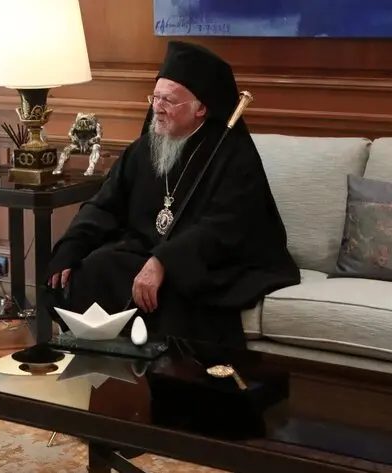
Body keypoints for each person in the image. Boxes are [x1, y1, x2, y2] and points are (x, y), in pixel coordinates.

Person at [46, 41, 299, 348]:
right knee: (96, 267)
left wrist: (165, 261)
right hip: (146, 250)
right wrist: (71, 246)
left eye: (169, 100)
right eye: (155, 97)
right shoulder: (143, 150)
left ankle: (171, 366)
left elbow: (224, 227)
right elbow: (104, 205)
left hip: (208, 262)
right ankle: (102, 364)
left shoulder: (231, 156)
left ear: (200, 108)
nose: (157, 107)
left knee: (177, 290)